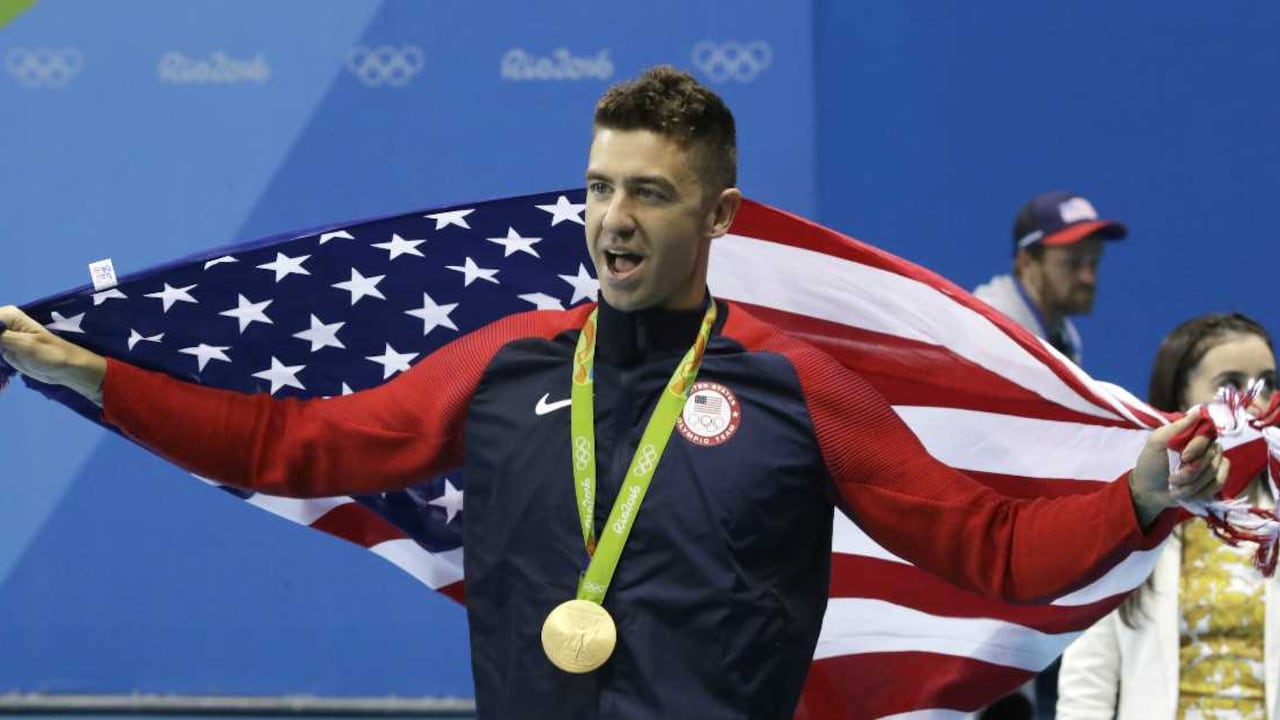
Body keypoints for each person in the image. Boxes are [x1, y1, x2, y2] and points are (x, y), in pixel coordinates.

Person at [0, 66, 1225, 720]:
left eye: (646, 192)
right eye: (597, 188)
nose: (610, 219)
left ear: (719, 216)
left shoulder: (799, 386)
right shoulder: (510, 359)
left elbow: (988, 546)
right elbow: (297, 446)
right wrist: (95, 376)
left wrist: (1138, 489)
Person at [1057, 312, 1279, 720]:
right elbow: (1087, 685)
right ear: (1182, 402)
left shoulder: (1274, 520)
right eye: (1229, 385)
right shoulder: (1132, 518)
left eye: (1266, 383)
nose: (1256, 403)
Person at [974, 190, 1128, 366]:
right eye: (1072, 262)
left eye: (1093, 262)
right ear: (1026, 261)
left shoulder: (1066, 336)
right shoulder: (992, 326)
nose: (1088, 278)